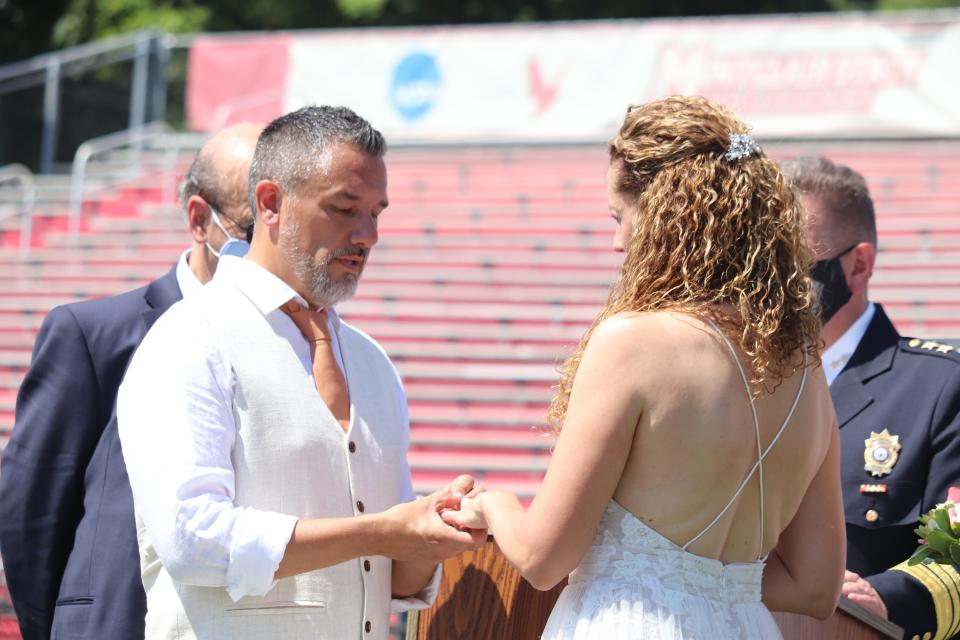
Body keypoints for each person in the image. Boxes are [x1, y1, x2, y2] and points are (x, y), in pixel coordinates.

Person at [442, 96, 845, 639]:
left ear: (666, 214)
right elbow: (816, 586)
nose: (618, 241)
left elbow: (542, 558)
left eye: (620, 215)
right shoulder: (806, 372)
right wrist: (707, 580)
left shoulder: (634, 341)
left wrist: (496, 505)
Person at [116, 105, 483, 640]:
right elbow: (192, 541)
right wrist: (378, 530)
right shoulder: (189, 338)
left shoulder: (372, 362)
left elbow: (386, 572)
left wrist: (432, 531)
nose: (368, 235)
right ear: (270, 204)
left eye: (377, 212)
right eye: (344, 208)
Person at [0, 123, 260, 640]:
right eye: (254, 231)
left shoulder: (301, 347)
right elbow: (32, 511)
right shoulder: (93, 336)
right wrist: (65, 627)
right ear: (199, 220)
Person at [783, 155, 960, 640]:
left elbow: (957, 553)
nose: (769, 286)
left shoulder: (940, 387)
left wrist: (886, 597)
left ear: (858, 264)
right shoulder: (737, 384)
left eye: (792, 264)